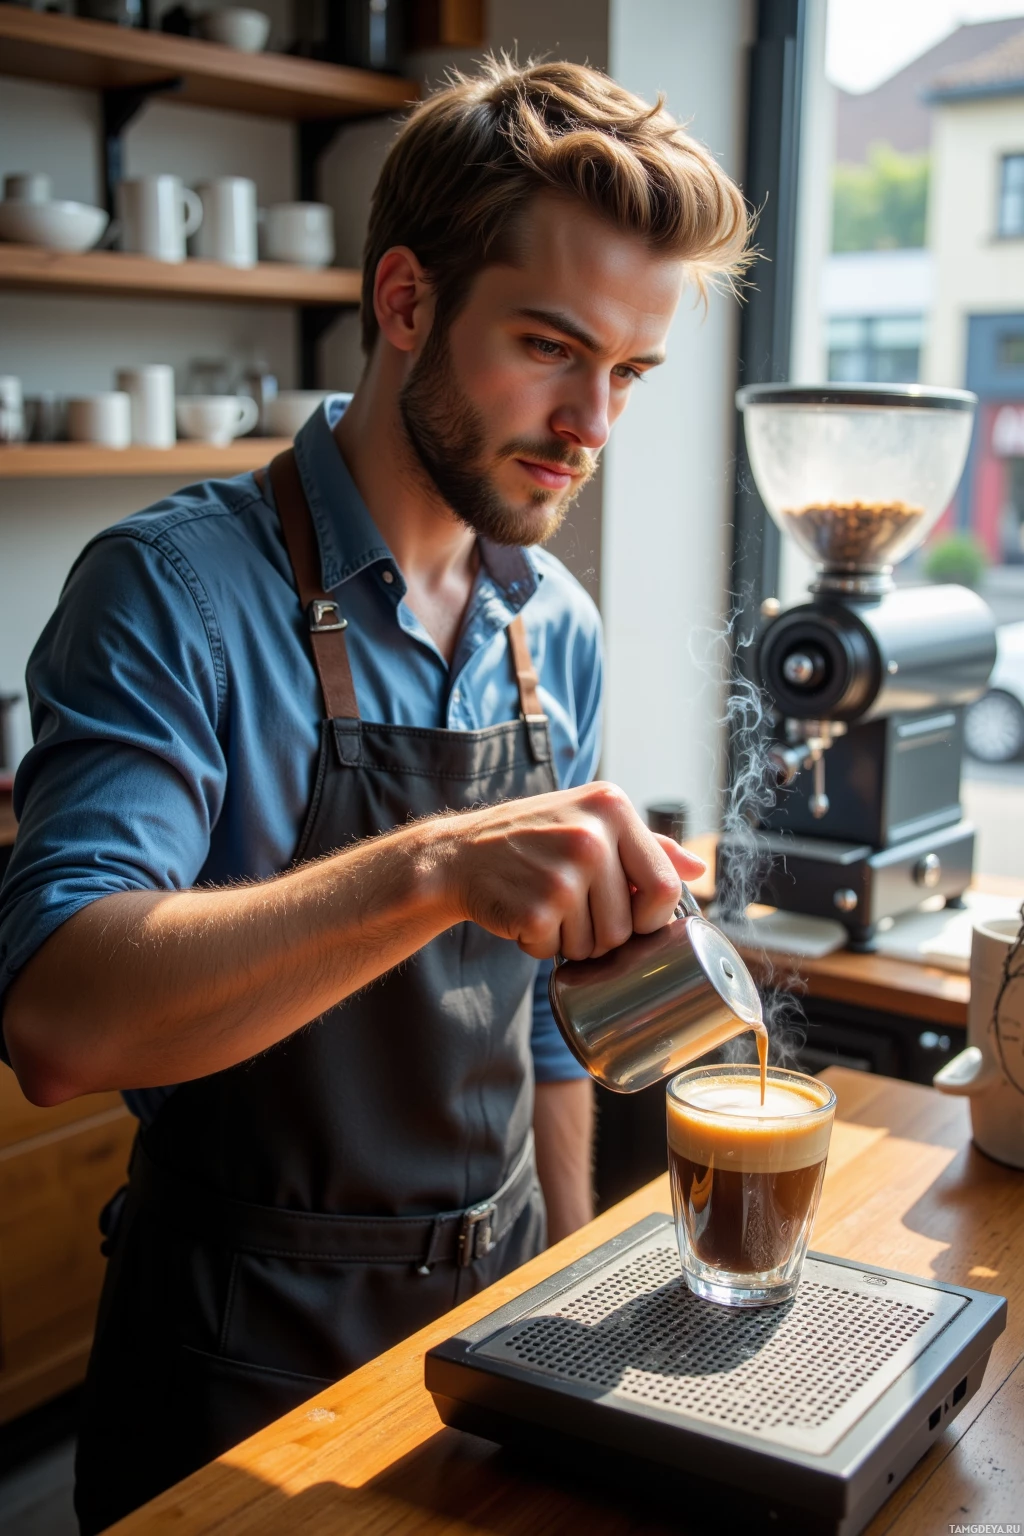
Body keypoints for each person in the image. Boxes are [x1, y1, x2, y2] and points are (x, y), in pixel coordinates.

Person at [0, 56, 750, 1533]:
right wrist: (438, 866)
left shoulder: (556, 631)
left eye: (630, 374)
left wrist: (568, 1297)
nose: (592, 422)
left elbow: (546, 1022)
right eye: (550, 346)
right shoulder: (171, 593)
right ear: (406, 303)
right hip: (243, 1351)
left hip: (498, 1319)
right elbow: (58, 1021)